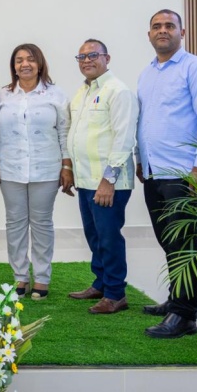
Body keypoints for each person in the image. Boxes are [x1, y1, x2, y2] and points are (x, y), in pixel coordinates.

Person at [136, 9, 197, 338]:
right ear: (149, 35)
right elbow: (145, 122)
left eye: (169, 26)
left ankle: (184, 315)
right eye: (156, 26)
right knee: (169, 241)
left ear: (182, 32)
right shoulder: (147, 73)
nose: (163, 30)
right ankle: (179, 300)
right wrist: (141, 160)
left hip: (185, 173)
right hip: (154, 173)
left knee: (186, 244)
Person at [0, 43, 73, 301]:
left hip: (46, 168)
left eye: (31, 59)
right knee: (15, 223)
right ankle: (20, 277)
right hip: (10, 168)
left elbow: (64, 132)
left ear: (40, 63)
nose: (25, 64)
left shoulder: (55, 94)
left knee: (42, 223)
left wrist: (66, 166)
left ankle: (42, 278)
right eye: (19, 60)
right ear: (13, 66)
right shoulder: (3, 95)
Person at [66, 39, 138, 315]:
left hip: (108, 182)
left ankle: (116, 293)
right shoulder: (81, 93)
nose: (87, 60)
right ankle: (101, 283)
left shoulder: (118, 91)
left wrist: (109, 180)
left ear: (107, 58)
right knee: (94, 235)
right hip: (85, 180)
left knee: (108, 237)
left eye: (93, 55)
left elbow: (123, 138)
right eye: (81, 57)